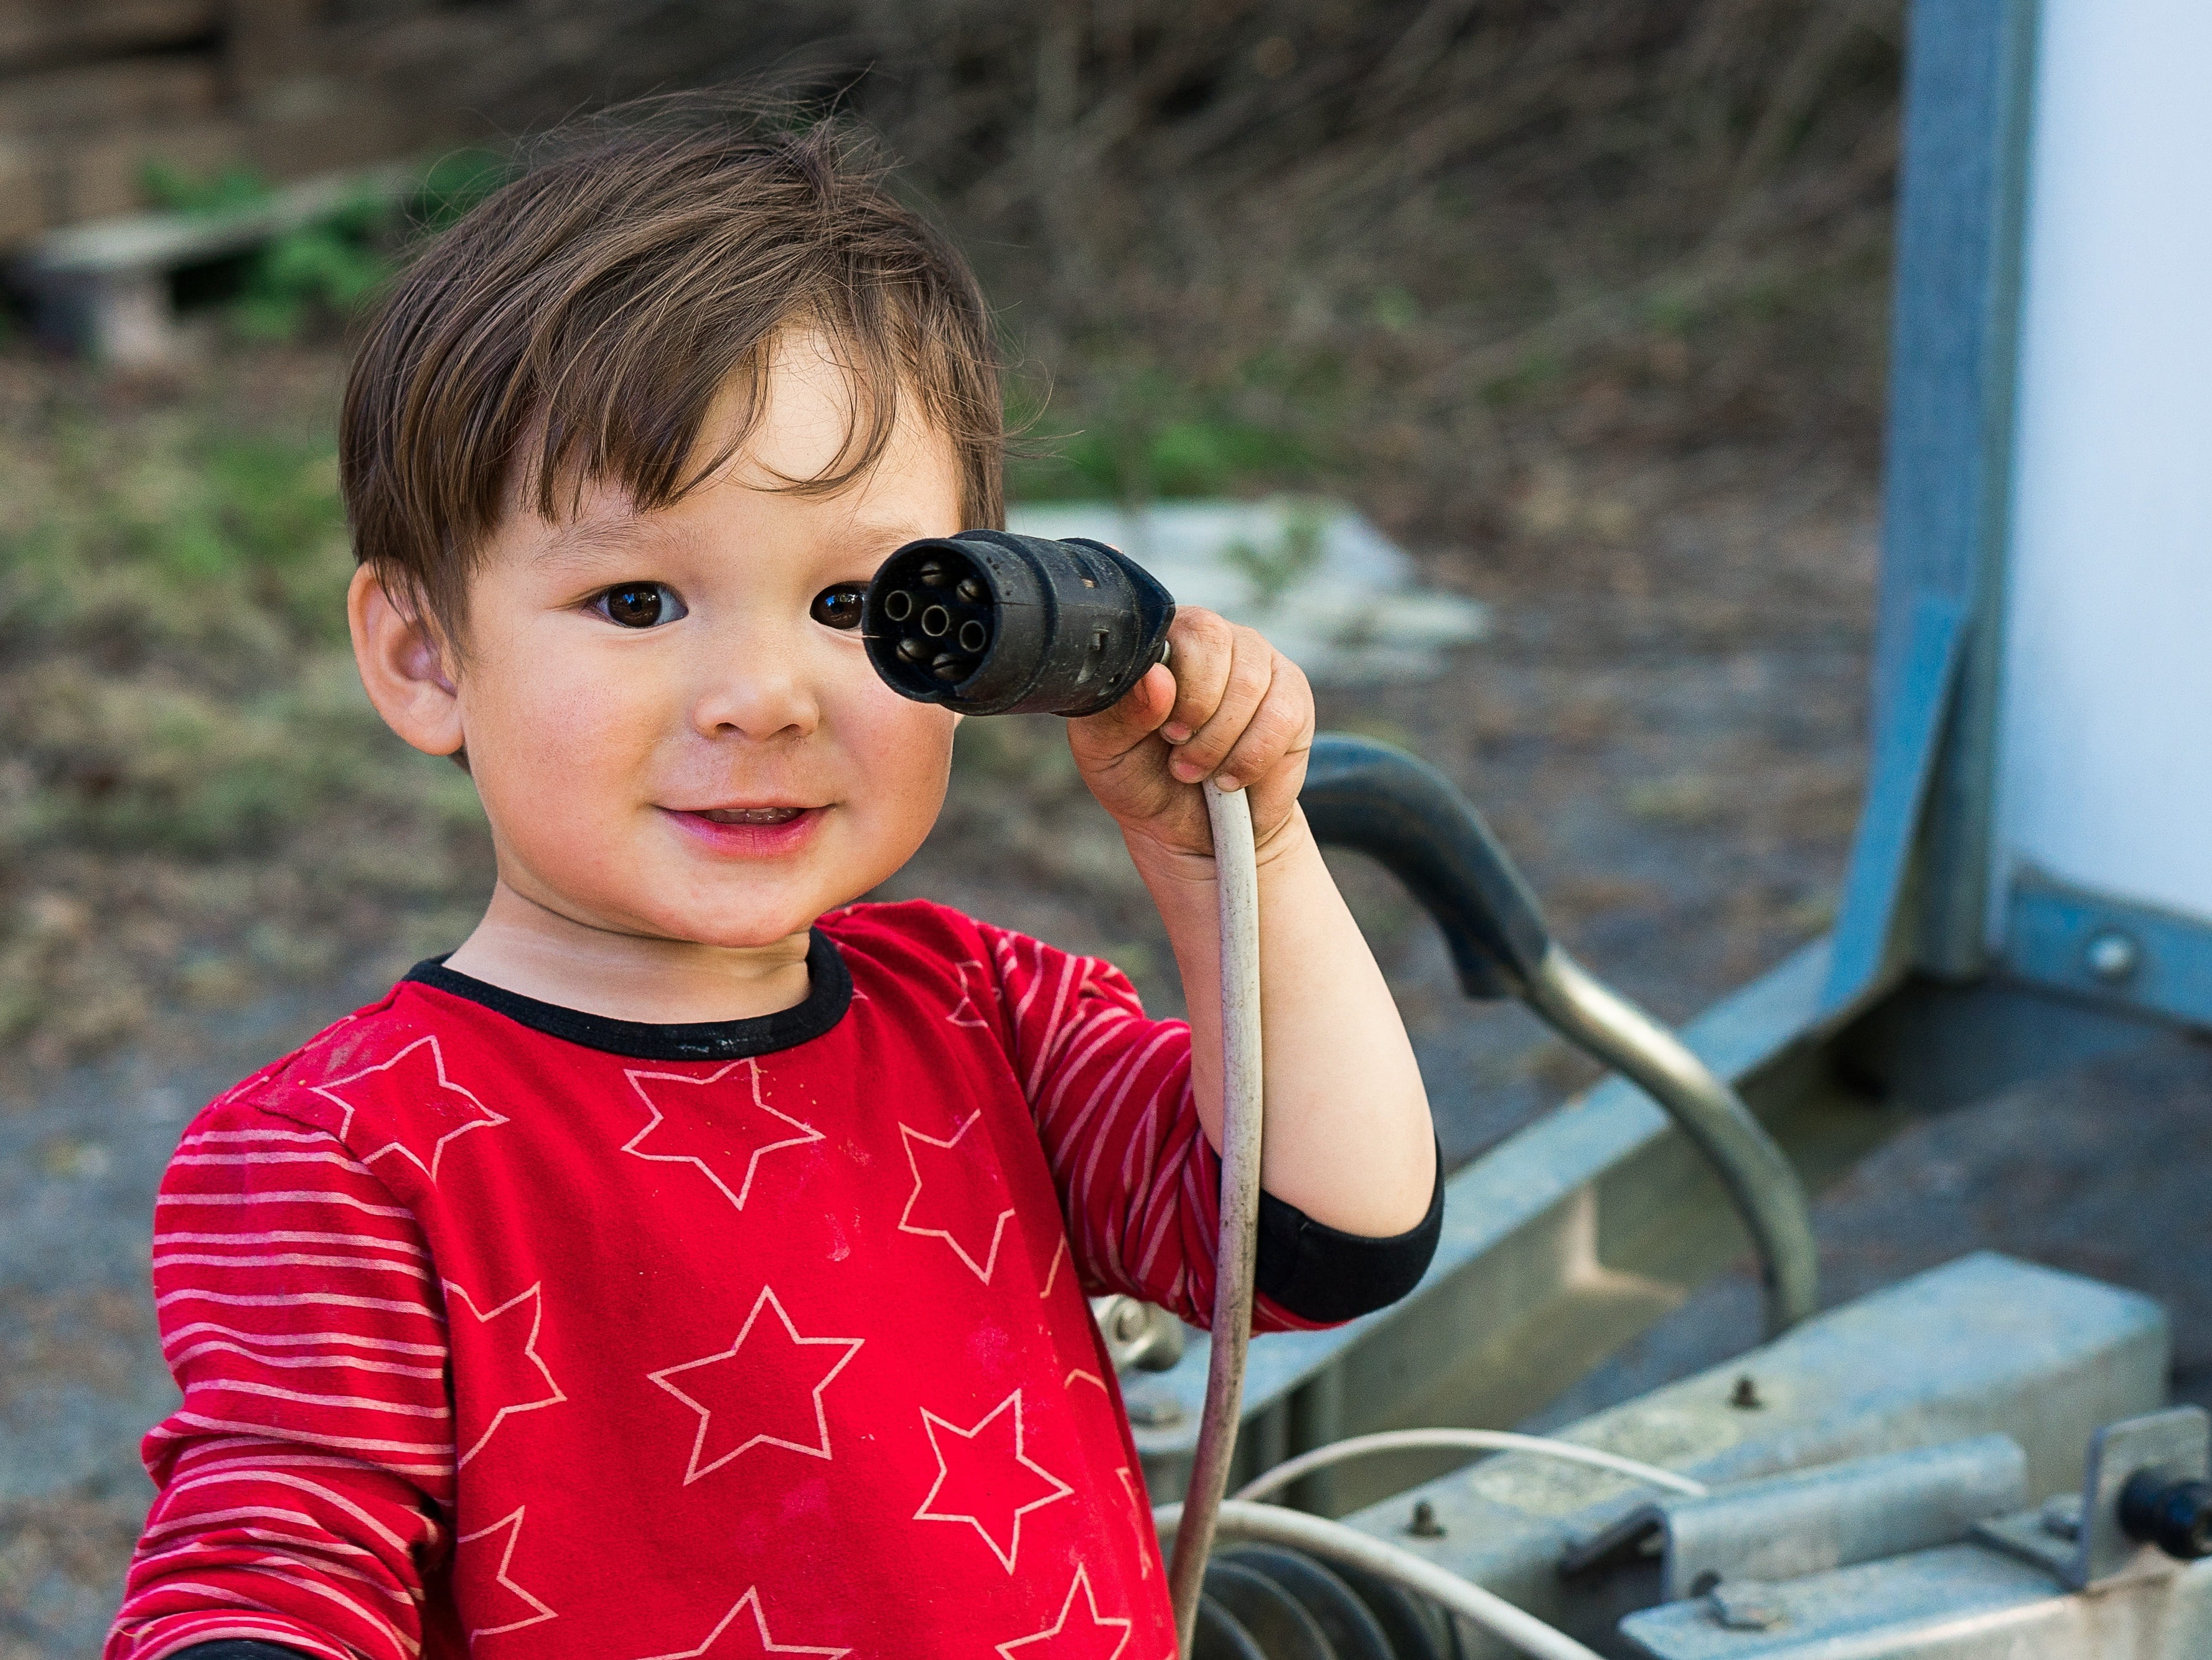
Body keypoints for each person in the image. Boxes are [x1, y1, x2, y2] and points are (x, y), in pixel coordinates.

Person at [108, 107, 1438, 1660]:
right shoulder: (346, 1156)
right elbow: (270, 1572)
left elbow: (1330, 1232)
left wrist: (1236, 852)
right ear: (422, 655)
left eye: (852, 598)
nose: (760, 694)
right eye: (636, 597)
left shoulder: (991, 1019)